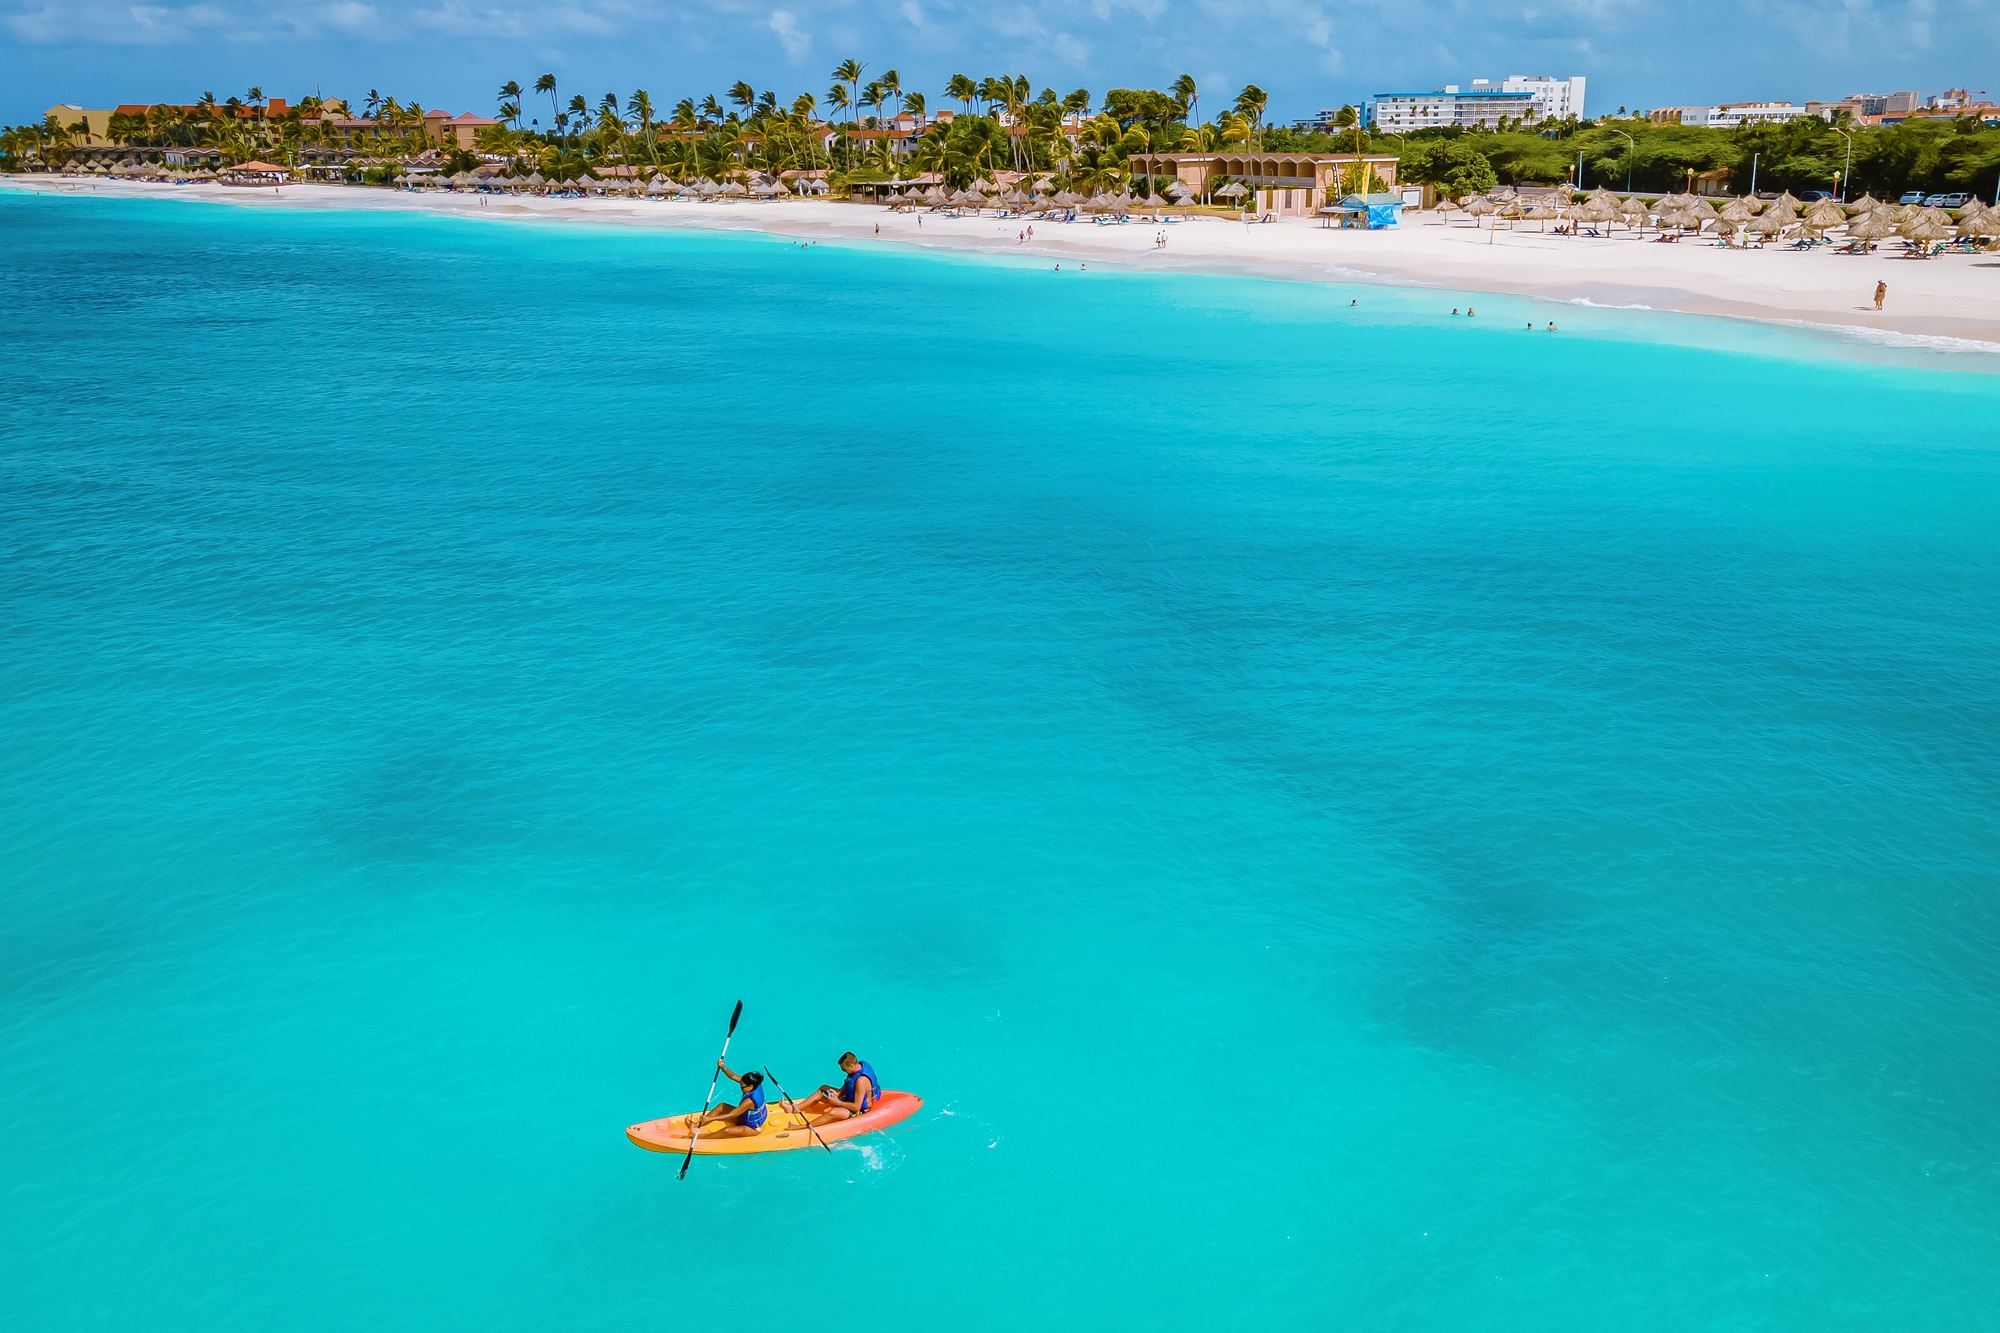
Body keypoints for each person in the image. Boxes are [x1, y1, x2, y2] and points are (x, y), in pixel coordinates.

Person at [685, 1061, 768, 1138]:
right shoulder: (753, 1083)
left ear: (751, 1086)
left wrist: (710, 1118)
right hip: (743, 1118)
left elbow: (732, 1115)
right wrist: (723, 1067)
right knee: (721, 1106)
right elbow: (733, 1075)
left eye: (742, 1087)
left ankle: (698, 1139)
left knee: (726, 1131)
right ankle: (695, 1125)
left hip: (752, 1128)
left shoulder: (749, 1101)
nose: (741, 1088)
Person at [802, 1052, 880, 1127]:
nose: (845, 1072)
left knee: (833, 1112)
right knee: (824, 1088)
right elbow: (850, 1081)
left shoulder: (861, 1081)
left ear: (851, 1066)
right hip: (850, 1099)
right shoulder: (859, 1065)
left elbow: (856, 1107)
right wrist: (839, 1093)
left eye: (845, 1070)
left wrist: (838, 1102)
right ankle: (797, 1107)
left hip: (860, 1111)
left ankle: (802, 1127)